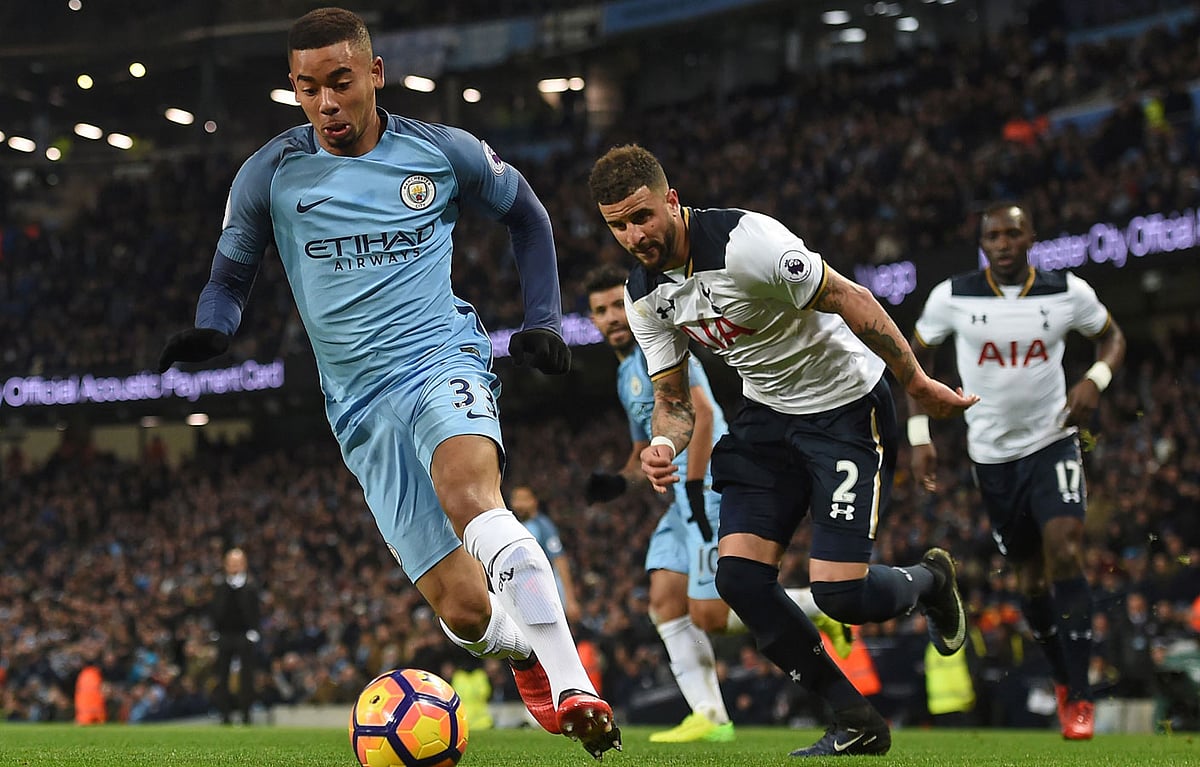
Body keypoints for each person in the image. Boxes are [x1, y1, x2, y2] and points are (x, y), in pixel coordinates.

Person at [156, 8, 618, 758]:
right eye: (308, 88)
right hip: (357, 405)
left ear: (375, 73)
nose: (326, 103)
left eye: (340, 82)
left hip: (440, 359)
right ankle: (524, 651)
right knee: (465, 611)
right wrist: (216, 326)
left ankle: (575, 686)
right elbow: (231, 274)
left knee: (473, 496)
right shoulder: (269, 173)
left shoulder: (440, 151)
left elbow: (528, 216)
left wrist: (544, 318)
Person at [587, 144, 978, 757]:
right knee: (738, 580)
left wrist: (918, 383)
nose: (635, 236)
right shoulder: (644, 296)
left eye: (643, 216)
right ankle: (853, 717)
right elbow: (675, 400)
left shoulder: (747, 243)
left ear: (672, 200)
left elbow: (850, 297)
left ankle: (929, 580)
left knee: (840, 596)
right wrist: (662, 443)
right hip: (766, 419)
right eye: (618, 226)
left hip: (845, 408)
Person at [584, 263, 854, 744]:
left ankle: (821, 608)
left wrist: (692, 485)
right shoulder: (626, 373)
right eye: (599, 311)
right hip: (681, 501)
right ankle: (710, 716)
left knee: (710, 616)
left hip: (708, 485)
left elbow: (704, 414)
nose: (610, 318)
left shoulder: (662, 351)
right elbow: (643, 448)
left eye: (615, 307)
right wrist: (619, 483)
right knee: (664, 601)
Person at [907, 201, 1126, 741]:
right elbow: (913, 361)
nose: (1003, 243)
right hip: (992, 457)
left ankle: (1081, 695)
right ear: (982, 243)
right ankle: (1061, 677)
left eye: (1013, 233)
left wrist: (1095, 379)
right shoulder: (952, 296)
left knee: (1066, 550)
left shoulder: (1066, 291)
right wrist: (919, 434)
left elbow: (1113, 337)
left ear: (1031, 237)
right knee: (1029, 578)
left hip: (1054, 440)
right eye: (994, 236)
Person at [510, 484, 582, 626]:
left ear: (534, 501)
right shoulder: (513, 526)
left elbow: (559, 560)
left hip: (545, 595)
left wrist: (570, 600)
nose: (519, 504)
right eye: (516, 499)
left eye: (524, 499)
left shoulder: (543, 526)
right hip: (525, 595)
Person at [212, 548, 262, 725]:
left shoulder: (251, 586)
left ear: (244, 564)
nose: (234, 566)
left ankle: (246, 715)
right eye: (231, 563)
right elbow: (215, 610)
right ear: (226, 565)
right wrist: (215, 632)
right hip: (225, 636)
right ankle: (224, 715)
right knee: (222, 676)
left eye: (237, 562)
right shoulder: (220, 586)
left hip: (244, 635)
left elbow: (256, 611)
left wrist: (253, 631)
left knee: (246, 677)